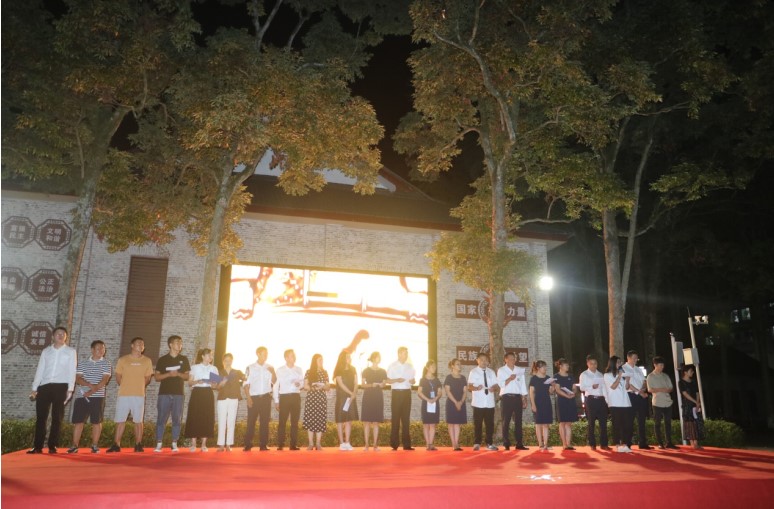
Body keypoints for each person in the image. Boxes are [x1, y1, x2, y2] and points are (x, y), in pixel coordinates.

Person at [28, 326, 77, 454]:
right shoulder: (46, 351)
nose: (60, 335)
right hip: (44, 386)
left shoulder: (71, 352)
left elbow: (72, 371)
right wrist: (34, 388)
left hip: (61, 386)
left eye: (63, 334)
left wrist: (70, 389)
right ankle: (37, 446)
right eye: (58, 333)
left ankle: (52, 445)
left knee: (57, 417)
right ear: (53, 336)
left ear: (66, 337)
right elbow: (40, 369)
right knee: (41, 417)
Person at [107, 337, 153, 453]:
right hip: (124, 395)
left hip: (139, 395)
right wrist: (126, 386)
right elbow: (118, 376)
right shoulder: (123, 360)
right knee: (120, 420)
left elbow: (148, 378)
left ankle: (138, 444)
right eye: (138, 344)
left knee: (138, 421)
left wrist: (138, 386)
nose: (141, 346)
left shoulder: (147, 361)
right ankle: (116, 444)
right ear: (132, 345)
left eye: (142, 344)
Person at [67, 340, 112, 454]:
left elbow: (105, 380)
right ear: (92, 350)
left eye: (103, 348)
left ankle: (95, 445)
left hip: (98, 397)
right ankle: (74, 446)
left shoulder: (106, 363)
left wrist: (91, 392)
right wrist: (89, 385)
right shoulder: (83, 363)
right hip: (81, 396)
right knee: (78, 421)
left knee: (96, 422)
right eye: (98, 348)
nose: (101, 350)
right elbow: (78, 378)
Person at [153, 335, 191, 453]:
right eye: (177, 342)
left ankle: (174, 443)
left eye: (181, 342)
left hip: (178, 394)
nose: (180, 345)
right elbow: (157, 377)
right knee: (161, 419)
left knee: (177, 419)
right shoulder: (162, 359)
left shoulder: (184, 359)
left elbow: (187, 376)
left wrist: (178, 374)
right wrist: (169, 374)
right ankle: (159, 443)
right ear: (170, 344)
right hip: (164, 393)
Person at [243, 346, 276, 451]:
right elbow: (245, 384)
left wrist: (273, 372)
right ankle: (248, 444)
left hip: (266, 397)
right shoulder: (249, 367)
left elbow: (274, 381)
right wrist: (248, 398)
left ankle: (263, 445)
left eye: (267, 353)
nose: (266, 355)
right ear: (258, 354)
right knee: (251, 421)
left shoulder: (270, 367)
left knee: (265, 422)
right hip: (254, 398)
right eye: (264, 353)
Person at [185, 348, 219, 452]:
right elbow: (189, 382)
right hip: (197, 393)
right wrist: (197, 382)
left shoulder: (214, 368)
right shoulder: (194, 367)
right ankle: (193, 444)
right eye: (209, 355)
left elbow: (215, 385)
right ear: (203, 356)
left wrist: (212, 383)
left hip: (208, 393)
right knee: (194, 416)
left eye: (211, 355)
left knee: (207, 417)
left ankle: (204, 444)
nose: (211, 357)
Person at [468, 352, 499, 451]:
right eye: (481, 360)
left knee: (490, 424)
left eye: (486, 360)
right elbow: (469, 386)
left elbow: (496, 385)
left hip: (489, 402)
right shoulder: (473, 372)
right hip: (478, 402)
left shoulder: (491, 372)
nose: (484, 362)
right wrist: (476, 388)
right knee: (478, 424)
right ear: (477, 360)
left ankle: (489, 443)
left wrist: (494, 388)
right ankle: (477, 443)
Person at [498, 352, 529, 451]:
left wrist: (524, 398)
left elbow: (523, 385)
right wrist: (510, 379)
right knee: (506, 421)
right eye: (510, 358)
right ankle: (506, 443)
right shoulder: (501, 370)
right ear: (505, 360)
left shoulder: (519, 370)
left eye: (514, 358)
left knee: (518, 421)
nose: (512, 360)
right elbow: (500, 384)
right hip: (506, 398)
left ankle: (519, 443)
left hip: (517, 398)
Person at [386, 346, 416, 451]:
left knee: (406, 419)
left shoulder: (410, 366)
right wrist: (396, 380)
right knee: (395, 419)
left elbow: (413, 380)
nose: (406, 355)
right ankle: (394, 444)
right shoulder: (392, 366)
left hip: (407, 393)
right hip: (396, 393)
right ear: (399, 354)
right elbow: (387, 381)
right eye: (404, 353)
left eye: (407, 353)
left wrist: (413, 381)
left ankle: (406, 445)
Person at [274, 349, 304, 451]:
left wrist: (299, 384)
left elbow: (302, 384)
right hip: (284, 397)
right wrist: (276, 400)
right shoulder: (280, 370)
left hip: (296, 396)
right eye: (291, 355)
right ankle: (280, 444)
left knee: (294, 422)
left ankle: (293, 445)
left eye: (294, 355)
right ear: (286, 358)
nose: (293, 357)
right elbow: (276, 386)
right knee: (282, 422)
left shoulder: (299, 369)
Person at [579, 355, 610, 451]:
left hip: (601, 400)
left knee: (603, 423)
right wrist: (591, 387)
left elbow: (604, 388)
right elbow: (582, 387)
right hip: (591, 399)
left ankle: (604, 444)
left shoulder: (600, 374)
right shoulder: (584, 374)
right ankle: (592, 443)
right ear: (587, 364)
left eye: (595, 363)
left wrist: (607, 401)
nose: (593, 365)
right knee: (591, 422)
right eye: (591, 363)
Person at [603, 355, 633, 453]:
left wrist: (627, 380)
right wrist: (620, 376)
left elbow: (627, 388)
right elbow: (613, 387)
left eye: (620, 362)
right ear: (613, 363)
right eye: (618, 362)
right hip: (615, 403)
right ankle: (618, 444)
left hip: (626, 402)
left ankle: (625, 443)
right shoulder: (607, 375)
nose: (620, 364)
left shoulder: (622, 375)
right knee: (617, 424)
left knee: (627, 425)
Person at [622, 350, 651, 450]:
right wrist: (639, 392)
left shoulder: (638, 369)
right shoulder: (623, 368)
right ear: (628, 358)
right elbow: (627, 384)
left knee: (642, 419)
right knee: (629, 420)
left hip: (641, 396)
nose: (635, 360)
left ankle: (642, 442)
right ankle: (627, 443)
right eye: (634, 358)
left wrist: (643, 389)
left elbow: (644, 381)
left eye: (636, 358)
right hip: (631, 396)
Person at [647, 356, 678, 449]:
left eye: (663, 365)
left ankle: (669, 442)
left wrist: (667, 390)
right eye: (660, 365)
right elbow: (650, 389)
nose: (662, 367)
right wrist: (662, 389)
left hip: (668, 402)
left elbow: (671, 388)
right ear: (655, 365)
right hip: (657, 403)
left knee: (668, 423)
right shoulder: (650, 376)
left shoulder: (665, 376)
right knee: (657, 423)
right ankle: (660, 443)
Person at [216, 353, 245, 452]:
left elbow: (245, 378)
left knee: (231, 421)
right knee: (221, 421)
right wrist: (222, 383)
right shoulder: (218, 372)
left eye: (229, 360)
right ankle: (221, 445)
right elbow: (216, 387)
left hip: (233, 398)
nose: (228, 362)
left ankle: (228, 444)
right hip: (222, 399)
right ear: (223, 361)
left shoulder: (237, 372)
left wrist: (246, 375)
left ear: (232, 361)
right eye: (226, 360)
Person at [361, 352, 387, 451]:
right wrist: (371, 385)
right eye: (377, 357)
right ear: (372, 358)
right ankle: (366, 445)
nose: (378, 358)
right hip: (368, 396)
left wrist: (381, 385)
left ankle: (375, 445)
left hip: (378, 396)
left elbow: (384, 384)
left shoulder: (383, 371)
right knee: (367, 422)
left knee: (376, 422)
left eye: (379, 357)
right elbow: (363, 384)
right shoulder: (366, 370)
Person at [334, 350, 359, 450]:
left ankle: (347, 442)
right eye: (348, 357)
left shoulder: (353, 369)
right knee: (340, 420)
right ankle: (341, 443)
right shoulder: (338, 370)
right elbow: (340, 384)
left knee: (349, 420)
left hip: (351, 397)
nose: (350, 358)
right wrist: (351, 393)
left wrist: (354, 393)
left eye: (350, 357)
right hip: (342, 397)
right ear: (343, 358)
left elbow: (356, 382)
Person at [303, 353, 329, 450]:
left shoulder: (325, 372)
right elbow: (305, 386)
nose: (321, 361)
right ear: (315, 361)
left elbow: (328, 386)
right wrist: (312, 388)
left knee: (320, 420)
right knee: (311, 420)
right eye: (319, 360)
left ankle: (318, 443)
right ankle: (310, 443)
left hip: (321, 399)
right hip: (311, 399)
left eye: (322, 360)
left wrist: (323, 386)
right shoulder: (308, 372)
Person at [553, 358, 579, 450]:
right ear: (560, 366)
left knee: (569, 423)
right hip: (562, 401)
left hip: (570, 400)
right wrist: (567, 396)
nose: (568, 366)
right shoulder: (556, 376)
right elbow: (557, 389)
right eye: (566, 365)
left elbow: (574, 387)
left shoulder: (571, 376)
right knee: (562, 422)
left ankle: (569, 444)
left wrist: (573, 393)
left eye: (568, 365)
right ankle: (564, 444)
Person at [529, 360, 555, 451]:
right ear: (538, 368)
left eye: (545, 367)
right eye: (543, 367)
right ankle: (540, 444)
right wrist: (533, 404)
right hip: (538, 402)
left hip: (547, 402)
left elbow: (550, 392)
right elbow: (531, 392)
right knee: (538, 424)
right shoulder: (534, 379)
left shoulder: (548, 378)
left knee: (546, 424)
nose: (545, 368)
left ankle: (546, 444)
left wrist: (553, 386)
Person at [418, 360, 442, 450]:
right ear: (427, 368)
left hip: (434, 403)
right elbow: (419, 392)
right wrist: (428, 399)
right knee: (426, 424)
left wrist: (435, 398)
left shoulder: (437, 380)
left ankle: (431, 444)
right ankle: (427, 444)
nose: (434, 368)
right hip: (426, 403)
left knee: (432, 424)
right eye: (432, 367)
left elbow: (440, 392)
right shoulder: (423, 380)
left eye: (435, 367)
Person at [444, 358, 468, 451]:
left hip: (461, 402)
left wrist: (461, 402)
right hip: (451, 402)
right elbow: (447, 391)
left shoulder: (463, 378)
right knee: (451, 423)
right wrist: (455, 402)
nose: (459, 365)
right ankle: (453, 444)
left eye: (460, 364)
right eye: (457, 364)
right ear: (452, 366)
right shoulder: (449, 377)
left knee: (457, 423)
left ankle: (456, 443)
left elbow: (465, 391)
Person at [679, 365, 704, 450]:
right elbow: (685, 394)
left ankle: (696, 443)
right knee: (689, 423)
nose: (692, 372)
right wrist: (695, 402)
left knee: (696, 422)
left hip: (695, 405)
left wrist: (697, 403)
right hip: (687, 405)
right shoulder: (681, 382)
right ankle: (692, 443)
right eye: (691, 371)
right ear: (685, 372)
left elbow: (697, 392)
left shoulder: (693, 382)